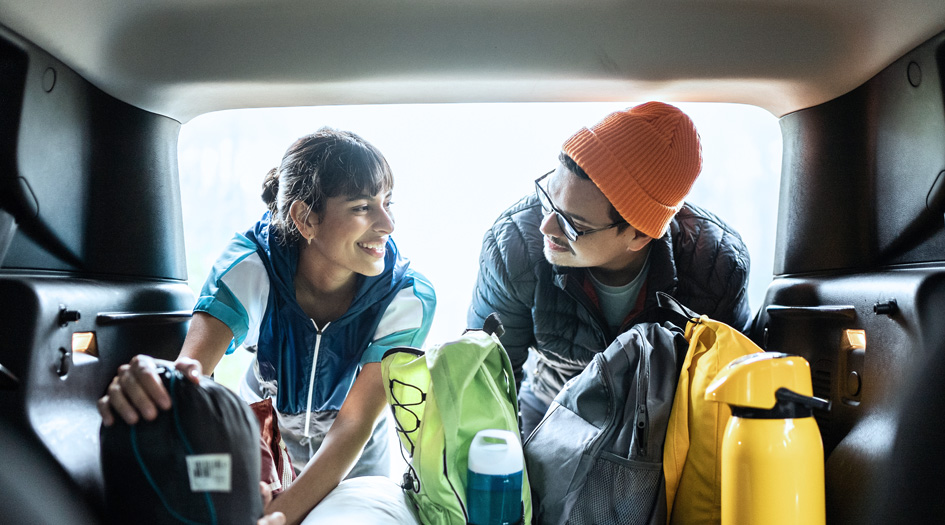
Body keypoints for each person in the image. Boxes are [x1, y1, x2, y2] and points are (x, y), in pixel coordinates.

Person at [98, 128, 436, 525]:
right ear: (305, 219)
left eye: (387, 202)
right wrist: (155, 383)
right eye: (363, 207)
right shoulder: (249, 267)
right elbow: (190, 370)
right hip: (263, 430)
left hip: (354, 451)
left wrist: (278, 513)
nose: (388, 224)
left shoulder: (407, 297)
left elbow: (352, 424)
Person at [468, 101, 751, 438]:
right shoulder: (513, 247)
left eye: (572, 225)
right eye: (549, 198)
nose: (546, 227)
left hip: (662, 432)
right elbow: (484, 385)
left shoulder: (717, 266)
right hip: (548, 409)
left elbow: (728, 397)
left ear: (639, 235)